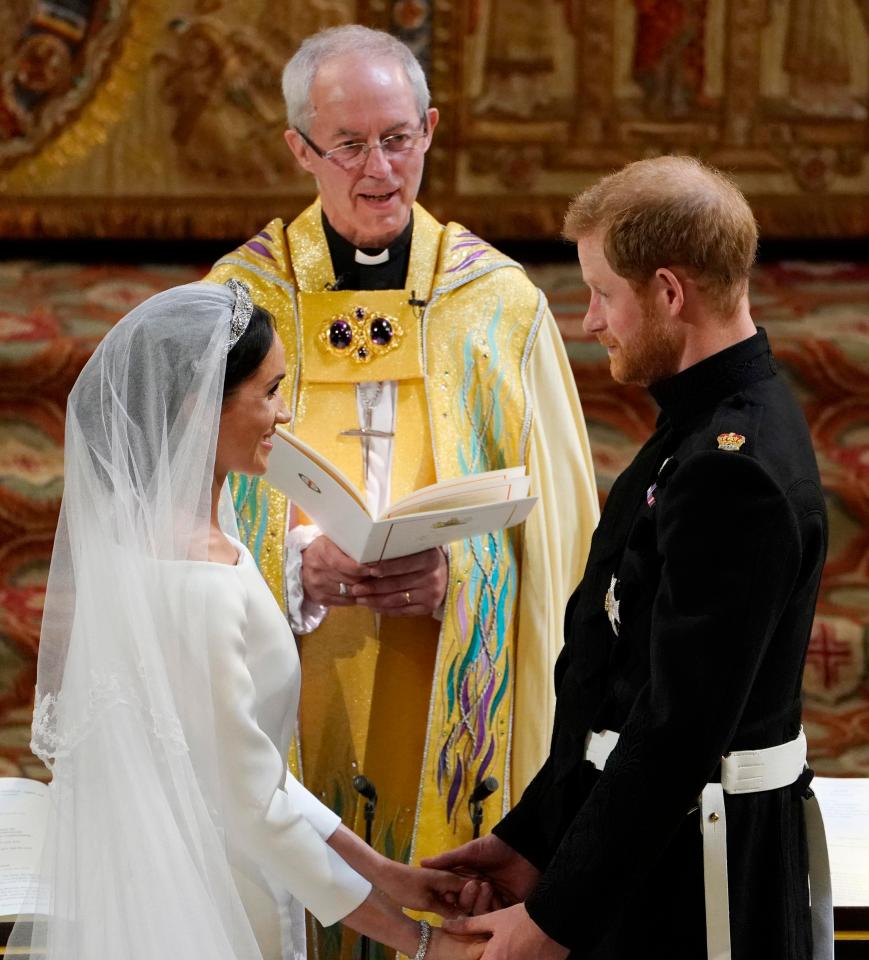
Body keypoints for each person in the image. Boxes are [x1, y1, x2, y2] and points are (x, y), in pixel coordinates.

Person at [204, 21, 599, 889]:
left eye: (398, 138)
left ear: (431, 128)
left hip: (447, 681)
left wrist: (464, 577)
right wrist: (292, 564)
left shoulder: (499, 306)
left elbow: (566, 543)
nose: (380, 170)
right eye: (349, 145)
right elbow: (170, 509)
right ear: (299, 149)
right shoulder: (232, 306)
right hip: (290, 672)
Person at [425, 156, 832, 960]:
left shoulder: (730, 469)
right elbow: (615, 685)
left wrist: (553, 919)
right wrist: (533, 840)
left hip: (700, 874)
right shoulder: (701, 420)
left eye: (603, 294)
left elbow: (675, 733)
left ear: (669, 293)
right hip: (654, 848)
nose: (590, 322)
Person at [10, 281, 485, 960]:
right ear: (201, 407)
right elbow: (253, 808)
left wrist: (390, 876)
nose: (284, 415)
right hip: (207, 905)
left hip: (228, 880)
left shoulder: (196, 543)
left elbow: (257, 773)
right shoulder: (192, 579)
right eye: (268, 393)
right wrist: (419, 944)